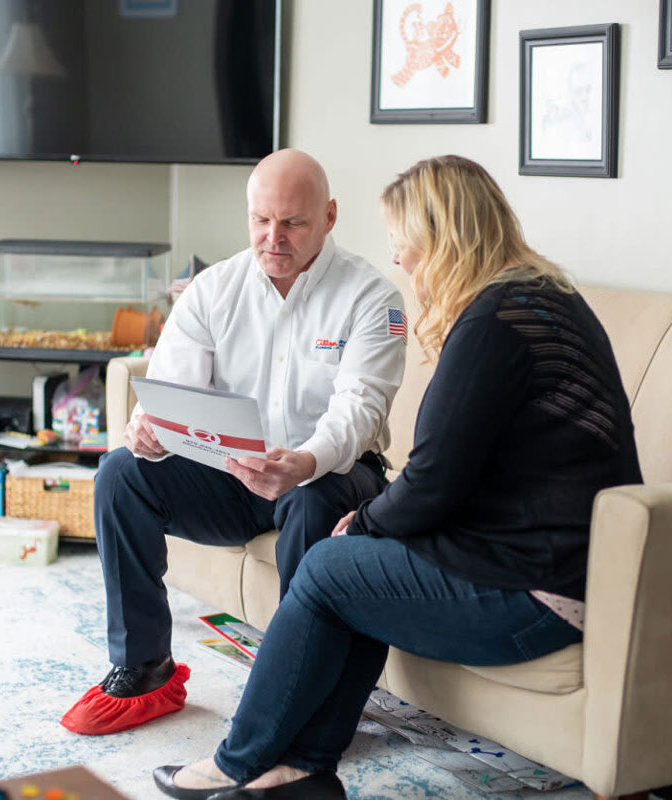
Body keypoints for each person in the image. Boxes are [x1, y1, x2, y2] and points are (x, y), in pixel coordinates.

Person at [150, 154, 644, 800]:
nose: (401, 260)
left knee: (329, 565)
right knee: (350, 560)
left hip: (533, 593)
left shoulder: (495, 323)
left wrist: (369, 520)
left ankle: (238, 761)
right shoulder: (544, 299)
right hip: (550, 569)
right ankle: (303, 765)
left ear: (443, 239)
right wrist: (375, 527)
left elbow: (434, 475)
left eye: (405, 243)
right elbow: (455, 472)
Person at [60, 149, 407, 736]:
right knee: (121, 472)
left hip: (332, 473)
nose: (273, 238)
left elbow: (359, 408)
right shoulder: (213, 289)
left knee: (309, 498)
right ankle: (145, 670)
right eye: (260, 220)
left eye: (293, 222)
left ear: (329, 216)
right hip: (231, 475)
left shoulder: (372, 298)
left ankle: (307, 696)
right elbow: (171, 391)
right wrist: (150, 430)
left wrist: (303, 462)